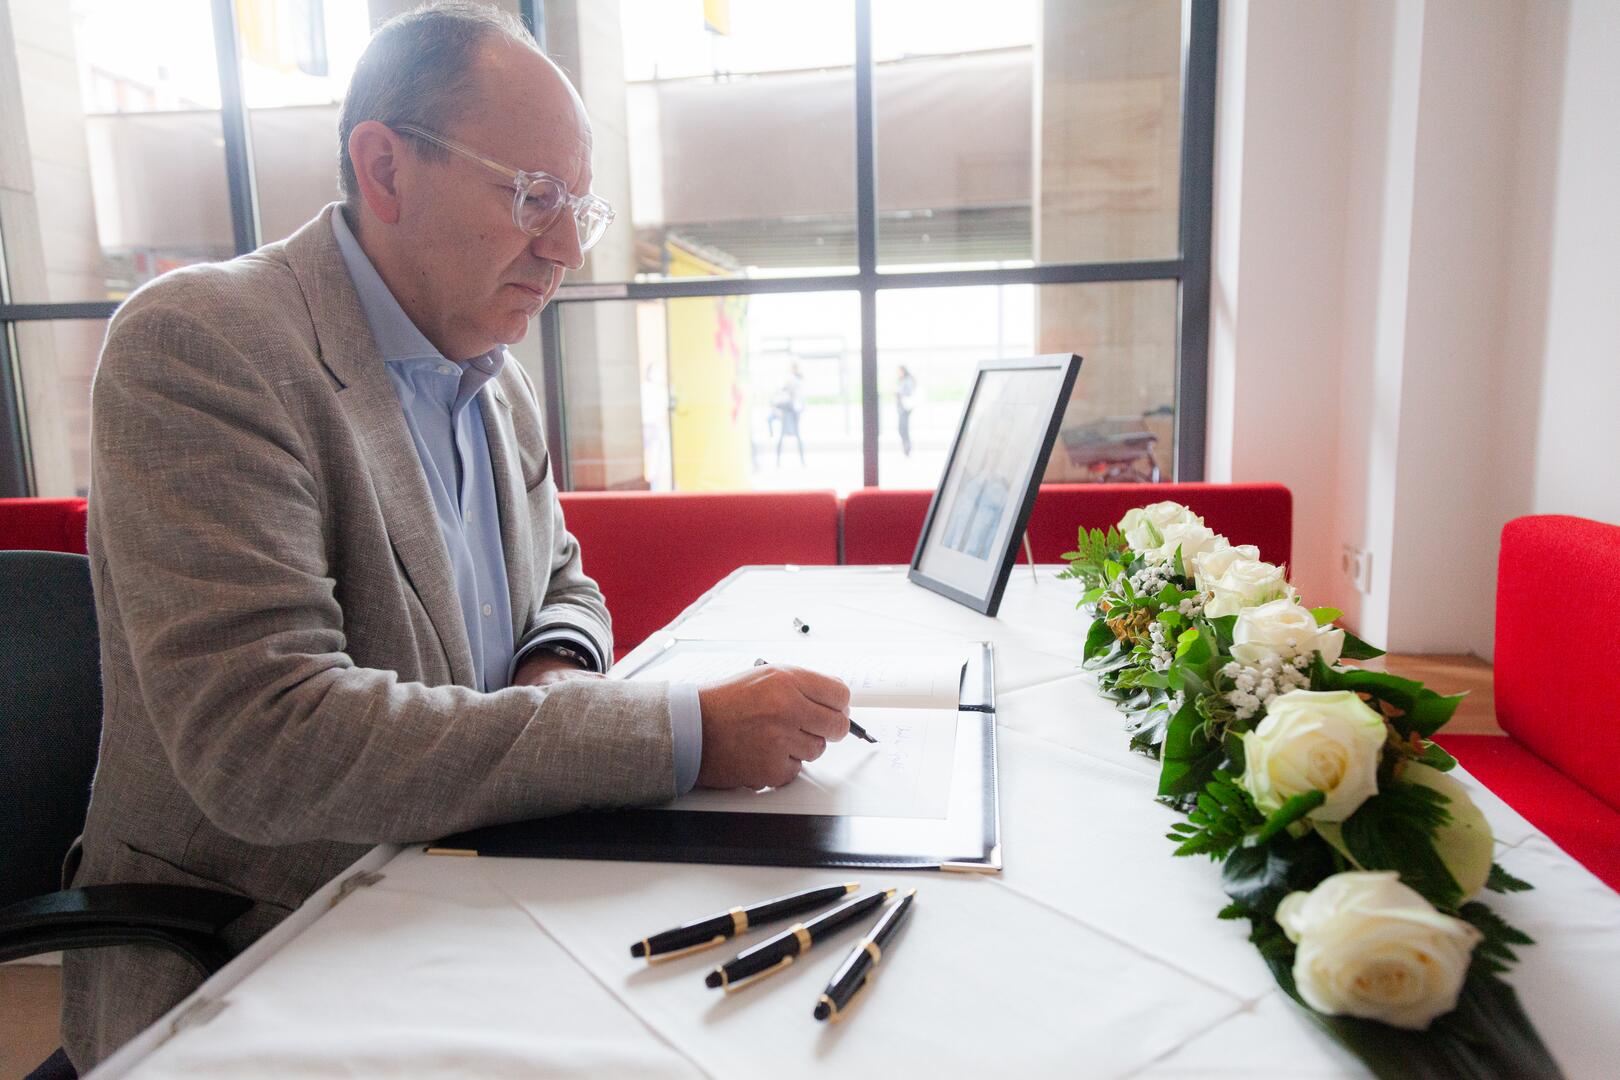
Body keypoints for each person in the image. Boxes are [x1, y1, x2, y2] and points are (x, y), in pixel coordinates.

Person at [62, 4, 850, 1069]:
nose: (567, 247)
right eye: (533, 197)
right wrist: (681, 735)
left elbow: (562, 580)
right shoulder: (204, 347)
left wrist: (555, 667)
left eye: (580, 208)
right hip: (268, 943)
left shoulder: (492, 373)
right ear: (384, 167)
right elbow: (267, 747)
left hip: (474, 881)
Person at [774, 362, 806, 466]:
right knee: (795, 436)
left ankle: (779, 461)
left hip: (791, 410)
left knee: (787, 436)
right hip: (794, 411)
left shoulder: (793, 379)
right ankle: (802, 461)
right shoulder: (799, 380)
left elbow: (784, 390)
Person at [896, 365, 917, 457]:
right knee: (902, 428)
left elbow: (908, 392)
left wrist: (898, 392)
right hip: (902, 408)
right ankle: (906, 447)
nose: (898, 374)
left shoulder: (907, 381)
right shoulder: (903, 381)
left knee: (903, 428)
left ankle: (907, 447)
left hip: (905, 409)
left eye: (899, 371)